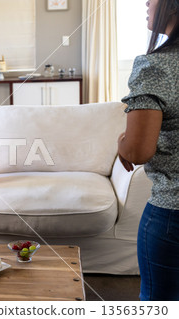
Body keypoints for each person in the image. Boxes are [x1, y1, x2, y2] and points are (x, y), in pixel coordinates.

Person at [118, 0, 178, 301]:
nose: (146, 2)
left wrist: (122, 143)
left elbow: (138, 151)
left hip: (173, 213)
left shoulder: (157, 66)